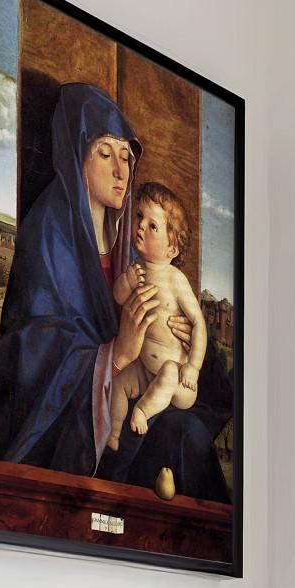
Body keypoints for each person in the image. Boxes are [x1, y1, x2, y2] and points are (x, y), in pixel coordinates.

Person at [0, 82, 231, 501]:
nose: (121, 171)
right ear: (76, 154)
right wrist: (117, 354)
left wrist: (185, 341)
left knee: (188, 436)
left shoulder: (132, 244)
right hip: (73, 424)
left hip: (141, 398)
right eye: (105, 153)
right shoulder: (49, 233)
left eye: (126, 157)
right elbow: (30, 351)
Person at [108, 182, 206, 451]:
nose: (140, 226)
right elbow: (118, 296)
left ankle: (142, 411)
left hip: (177, 381)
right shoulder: (135, 267)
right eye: (139, 216)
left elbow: (198, 322)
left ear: (172, 249)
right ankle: (112, 434)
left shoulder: (176, 280)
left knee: (169, 371)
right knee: (118, 384)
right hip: (144, 369)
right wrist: (127, 281)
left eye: (152, 226)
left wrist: (193, 367)